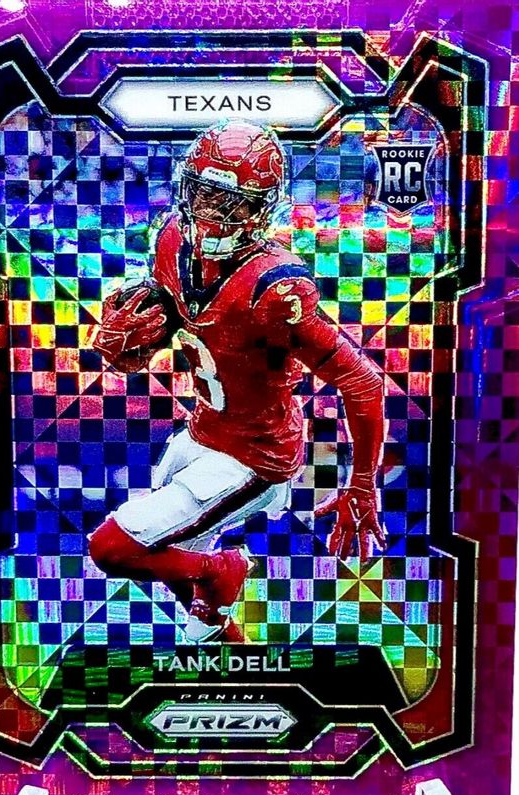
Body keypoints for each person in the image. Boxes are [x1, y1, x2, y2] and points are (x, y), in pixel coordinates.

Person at [88, 120, 386, 643]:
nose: (211, 212)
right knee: (174, 557)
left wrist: (361, 483)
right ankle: (225, 640)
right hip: (202, 431)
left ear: (260, 210)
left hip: (256, 455)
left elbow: (363, 381)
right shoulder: (172, 240)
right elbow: (188, 319)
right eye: (203, 193)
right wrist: (140, 334)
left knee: (114, 548)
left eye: (233, 202)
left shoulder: (275, 288)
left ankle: (224, 570)